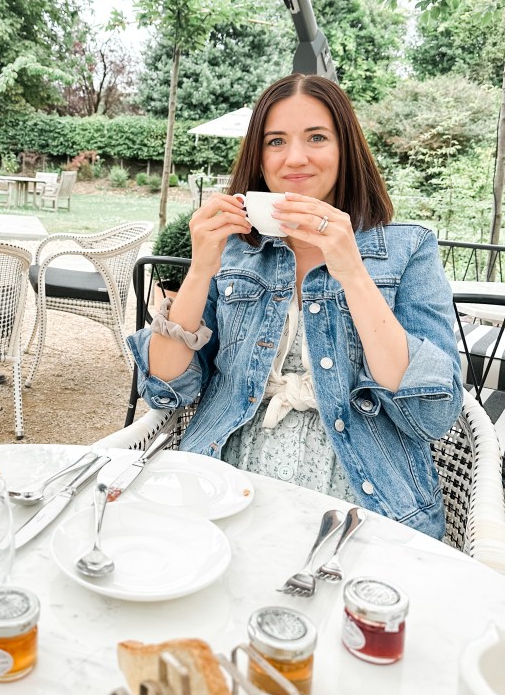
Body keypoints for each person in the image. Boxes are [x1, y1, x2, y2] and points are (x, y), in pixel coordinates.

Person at [128, 74, 462, 538]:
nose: (295, 158)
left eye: (317, 137)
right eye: (276, 141)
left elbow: (433, 414)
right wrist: (201, 267)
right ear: (259, 158)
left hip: (368, 497)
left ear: (345, 149)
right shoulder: (235, 251)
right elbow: (165, 389)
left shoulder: (409, 248)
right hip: (223, 476)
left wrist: (351, 270)